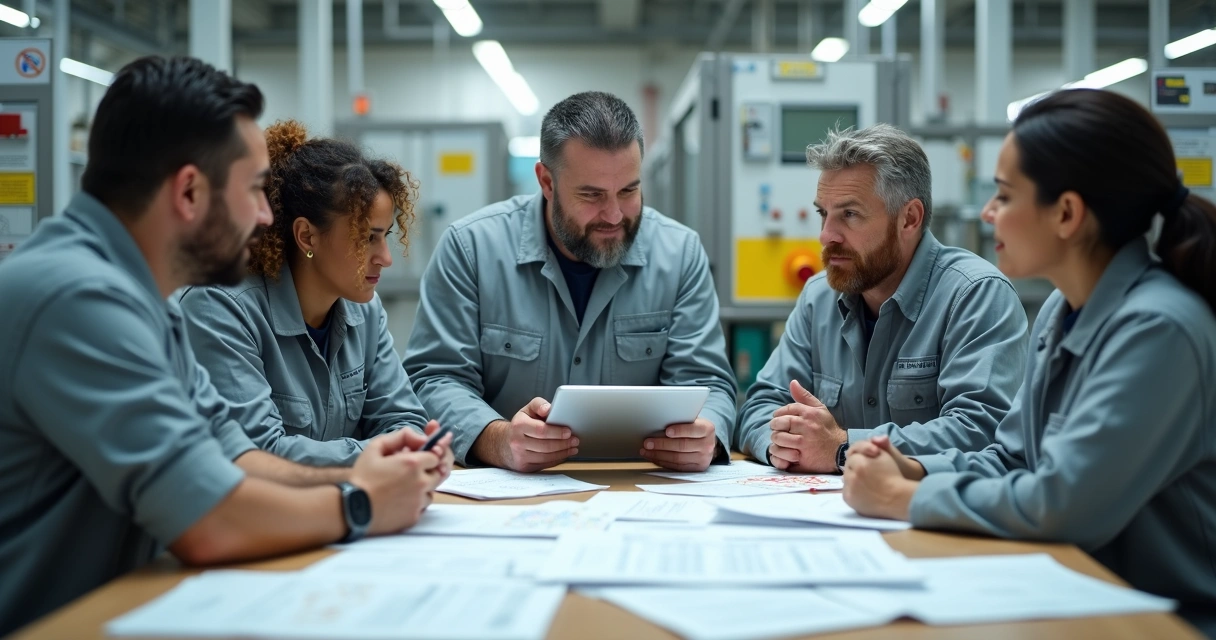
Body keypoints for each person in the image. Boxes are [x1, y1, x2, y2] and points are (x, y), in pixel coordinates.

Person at [0, 57, 451, 634]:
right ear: (189, 191)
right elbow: (208, 518)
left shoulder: (142, 302)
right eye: (255, 189)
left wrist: (367, 477)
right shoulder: (75, 297)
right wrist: (358, 505)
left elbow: (238, 460)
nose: (267, 215)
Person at [843, 89, 1216, 616]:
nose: (990, 214)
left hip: (1166, 620)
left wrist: (900, 498)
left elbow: (1061, 506)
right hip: (1077, 595)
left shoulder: (1159, 330)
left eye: (1005, 196)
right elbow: (1012, 458)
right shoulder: (1065, 311)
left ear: (1066, 214)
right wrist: (916, 469)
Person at [404, 91, 737, 473]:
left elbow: (708, 384)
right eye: (591, 195)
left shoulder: (680, 254)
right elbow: (434, 379)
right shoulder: (471, 249)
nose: (614, 215)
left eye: (629, 190)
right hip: (512, 496)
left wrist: (705, 438)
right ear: (546, 181)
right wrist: (497, 438)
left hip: (639, 490)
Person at [734, 124, 1028, 474]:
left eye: (850, 214)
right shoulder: (818, 297)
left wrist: (844, 448)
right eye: (822, 214)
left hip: (927, 515)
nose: (826, 235)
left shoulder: (975, 296)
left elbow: (981, 430)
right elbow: (761, 404)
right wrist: (782, 447)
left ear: (910, 218)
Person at [179, 120, 433, 466]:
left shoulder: (367, 312)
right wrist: (378, 454)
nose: (385, 258)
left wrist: (394, 451)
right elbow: (257, 455)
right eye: (366, 238)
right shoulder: (220, 307)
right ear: (307, 237)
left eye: (386, 236)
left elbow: (407, 422)